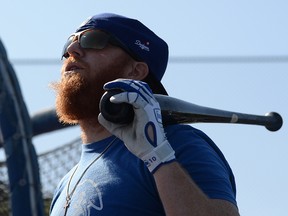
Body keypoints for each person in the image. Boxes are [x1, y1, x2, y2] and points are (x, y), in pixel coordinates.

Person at [49, 13, 240, 216]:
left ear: (136, 71)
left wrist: (159, 158)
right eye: (69, 43)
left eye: (93, 40)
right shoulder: (65, 183)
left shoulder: (177, 144)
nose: (72, 50)